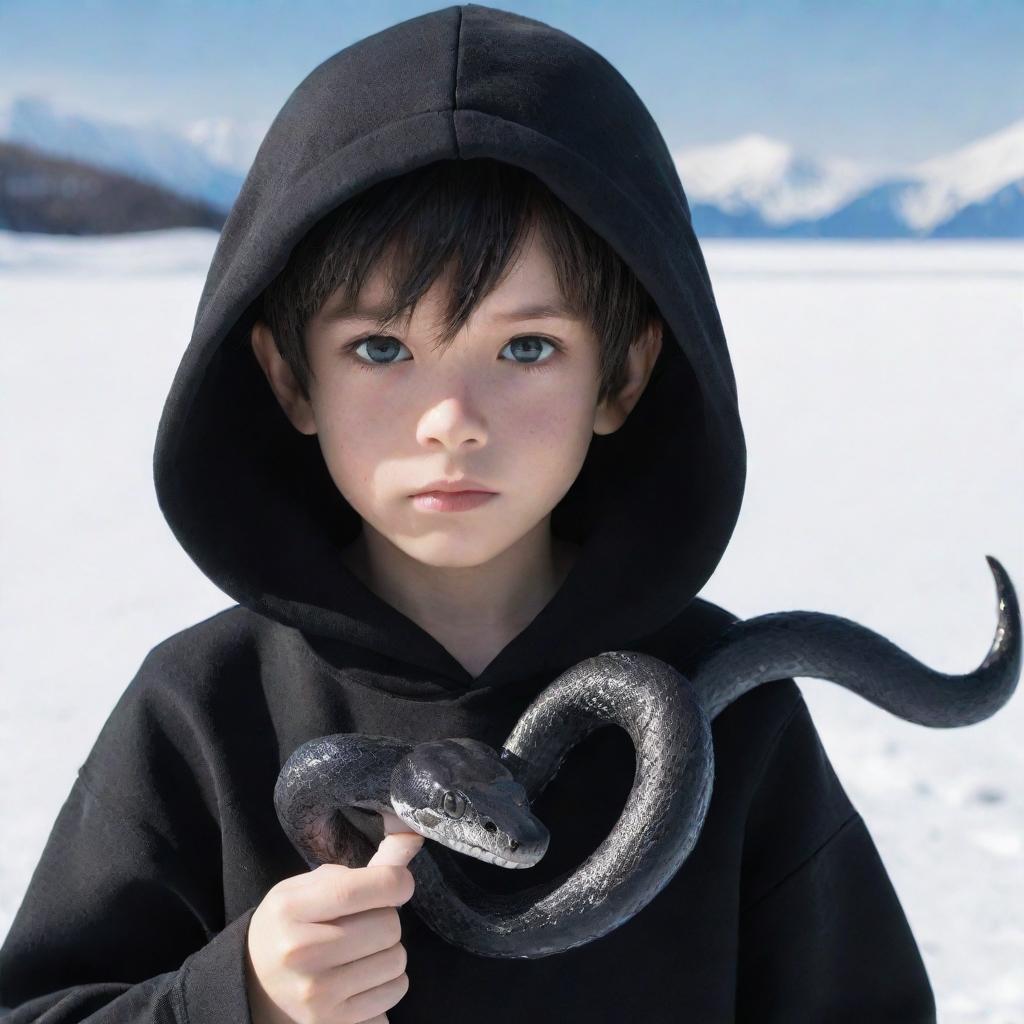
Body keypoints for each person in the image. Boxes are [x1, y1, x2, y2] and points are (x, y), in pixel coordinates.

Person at [0, 5, 937, 1022]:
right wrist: (235, 997)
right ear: (290, 377)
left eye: (525, 348)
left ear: (620, 374)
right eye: (382, 349)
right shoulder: (206, 707)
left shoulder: (724, 710)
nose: (452, 421)